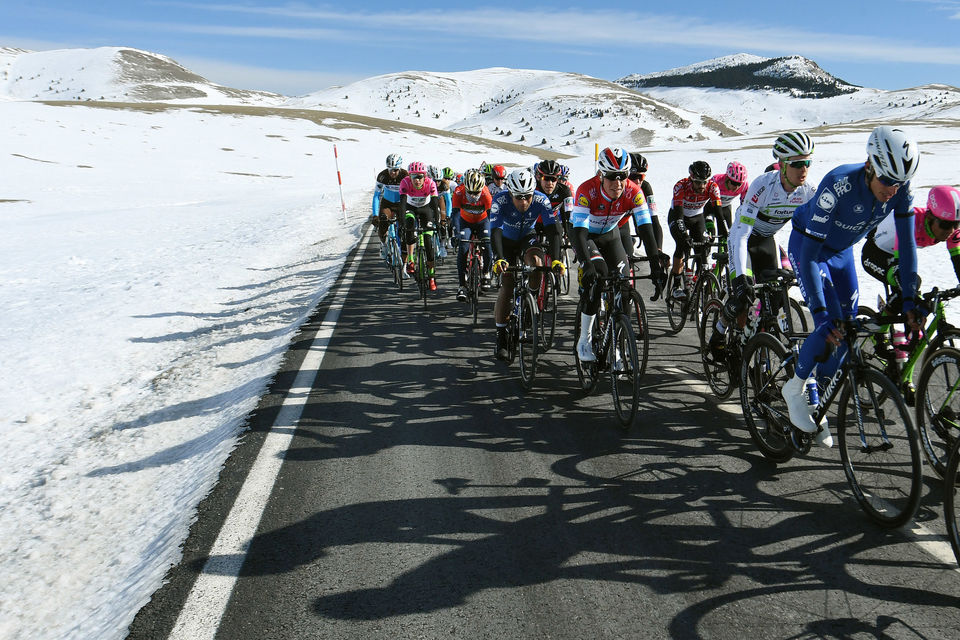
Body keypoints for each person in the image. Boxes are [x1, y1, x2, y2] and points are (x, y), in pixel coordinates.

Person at [783, 125, 921, 448]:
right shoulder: (838, 185)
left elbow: (908, 244)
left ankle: (821, 402)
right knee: (828, 322)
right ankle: (796, 386)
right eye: (886, 181)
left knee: (849, 328)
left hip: (843, 252)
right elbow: (810, 255)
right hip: (809, 247)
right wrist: (818, 310)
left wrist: (910, 298)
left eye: (898, 183)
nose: (892, 190)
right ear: (871, 166)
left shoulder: (900, 189)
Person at [709, 132, 817, 359]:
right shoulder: (762, 187)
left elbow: (812, 235)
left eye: (807, 162)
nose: (804, 169)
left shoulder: (807, 192)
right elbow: (740, 235)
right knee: (742, 296)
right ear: (783, 164)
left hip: (768, 240)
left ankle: (758, 346)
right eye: (797, 164)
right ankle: (719, 332)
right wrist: (740, 278)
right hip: (744, 239)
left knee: (775, 298)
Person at [571, 147, 654, 362]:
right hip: (586, 236)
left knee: (625, 286)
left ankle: (617, 343)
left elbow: (645, 226)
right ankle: (584, 339)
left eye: (623, 177)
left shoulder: (634, 191)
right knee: (597, 277)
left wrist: (655, 260)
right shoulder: (586, 190)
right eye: (611, 177)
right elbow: (578, 232)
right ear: (601, 175)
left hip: (611, 236)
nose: (618, 183)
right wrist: (586, 263)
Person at [861, 185, 960, 362]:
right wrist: (914, 299)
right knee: (909, 285)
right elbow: (904, 267)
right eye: (945, 225)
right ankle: (880, 334)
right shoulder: (911, 221)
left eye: (956, 224)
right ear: (930, 216)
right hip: (875, 254)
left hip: (899, 256)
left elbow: (958, 261)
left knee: (911, 292)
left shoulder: (950, 227)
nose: (951, 230)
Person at [490, 169, 562, 361]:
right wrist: (498, 258)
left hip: (526, 238)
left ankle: (529, 301)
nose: (523, 202)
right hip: (505, 241)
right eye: (518, 197)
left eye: (527, 197)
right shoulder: (500, 200)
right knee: (508, 284)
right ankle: (501, 336)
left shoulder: (541, 200)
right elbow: (495, 231)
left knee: (537, 264)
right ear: (510, 193)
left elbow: (553, 230)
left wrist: (555, 258)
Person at [667, 160, 723, 299]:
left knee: (703, 248)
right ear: (691, 179)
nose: (702, 186)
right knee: (681, 244)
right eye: (698, 182)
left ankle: (700, 280)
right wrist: (684, 234)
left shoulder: (713, 187)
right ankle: (676, 285)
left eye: (705, 182)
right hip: (679, 216)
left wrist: (725, 233)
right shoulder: (681, 186)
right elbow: (679, 216)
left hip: (697, 217)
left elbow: (719, 214)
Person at [399, 161, 443, 292]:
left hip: (426, 209)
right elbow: (402, 205)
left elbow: (435, 205)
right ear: (409, 177)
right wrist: (402, 224)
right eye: (414, 177)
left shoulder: (430, 183)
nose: (417, 180)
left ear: (425, 177)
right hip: (410, 208)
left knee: (429, 243)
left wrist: (438, 223)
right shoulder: (405, 182)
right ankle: (411, 260)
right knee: (409, 227)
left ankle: (431, 276)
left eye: (419, 177)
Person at [452, 169, 494, 302]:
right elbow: (455, 214)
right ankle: (462, 286)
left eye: (476, 192)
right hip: (466, 223)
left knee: (488, 244)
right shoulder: (459, 191)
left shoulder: (486, 194)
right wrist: (456, 233)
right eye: (470, 192)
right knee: (463, 248)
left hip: (483, 222)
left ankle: (486, 272)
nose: (473, 195)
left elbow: (492, 217)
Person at [373, 154, 408, 257]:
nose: (393, 172)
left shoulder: (405, 175)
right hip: (387, 203)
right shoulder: (382, 176)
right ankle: (383, 243)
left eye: (396, 170)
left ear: (400, 168)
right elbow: (376, 195)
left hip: (401, 204)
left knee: (404, 229)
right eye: (390, 170)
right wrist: (375, 215)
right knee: (383, 221)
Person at [711, 161, 749, 233]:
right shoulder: (716, 180)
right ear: (727, 178)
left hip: (725, 207)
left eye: (739, 184)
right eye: (734, 183)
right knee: (710, 232)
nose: (736, 187)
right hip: (711, 207)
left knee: (727, 234)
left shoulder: (744, 186)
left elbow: (744, 206)